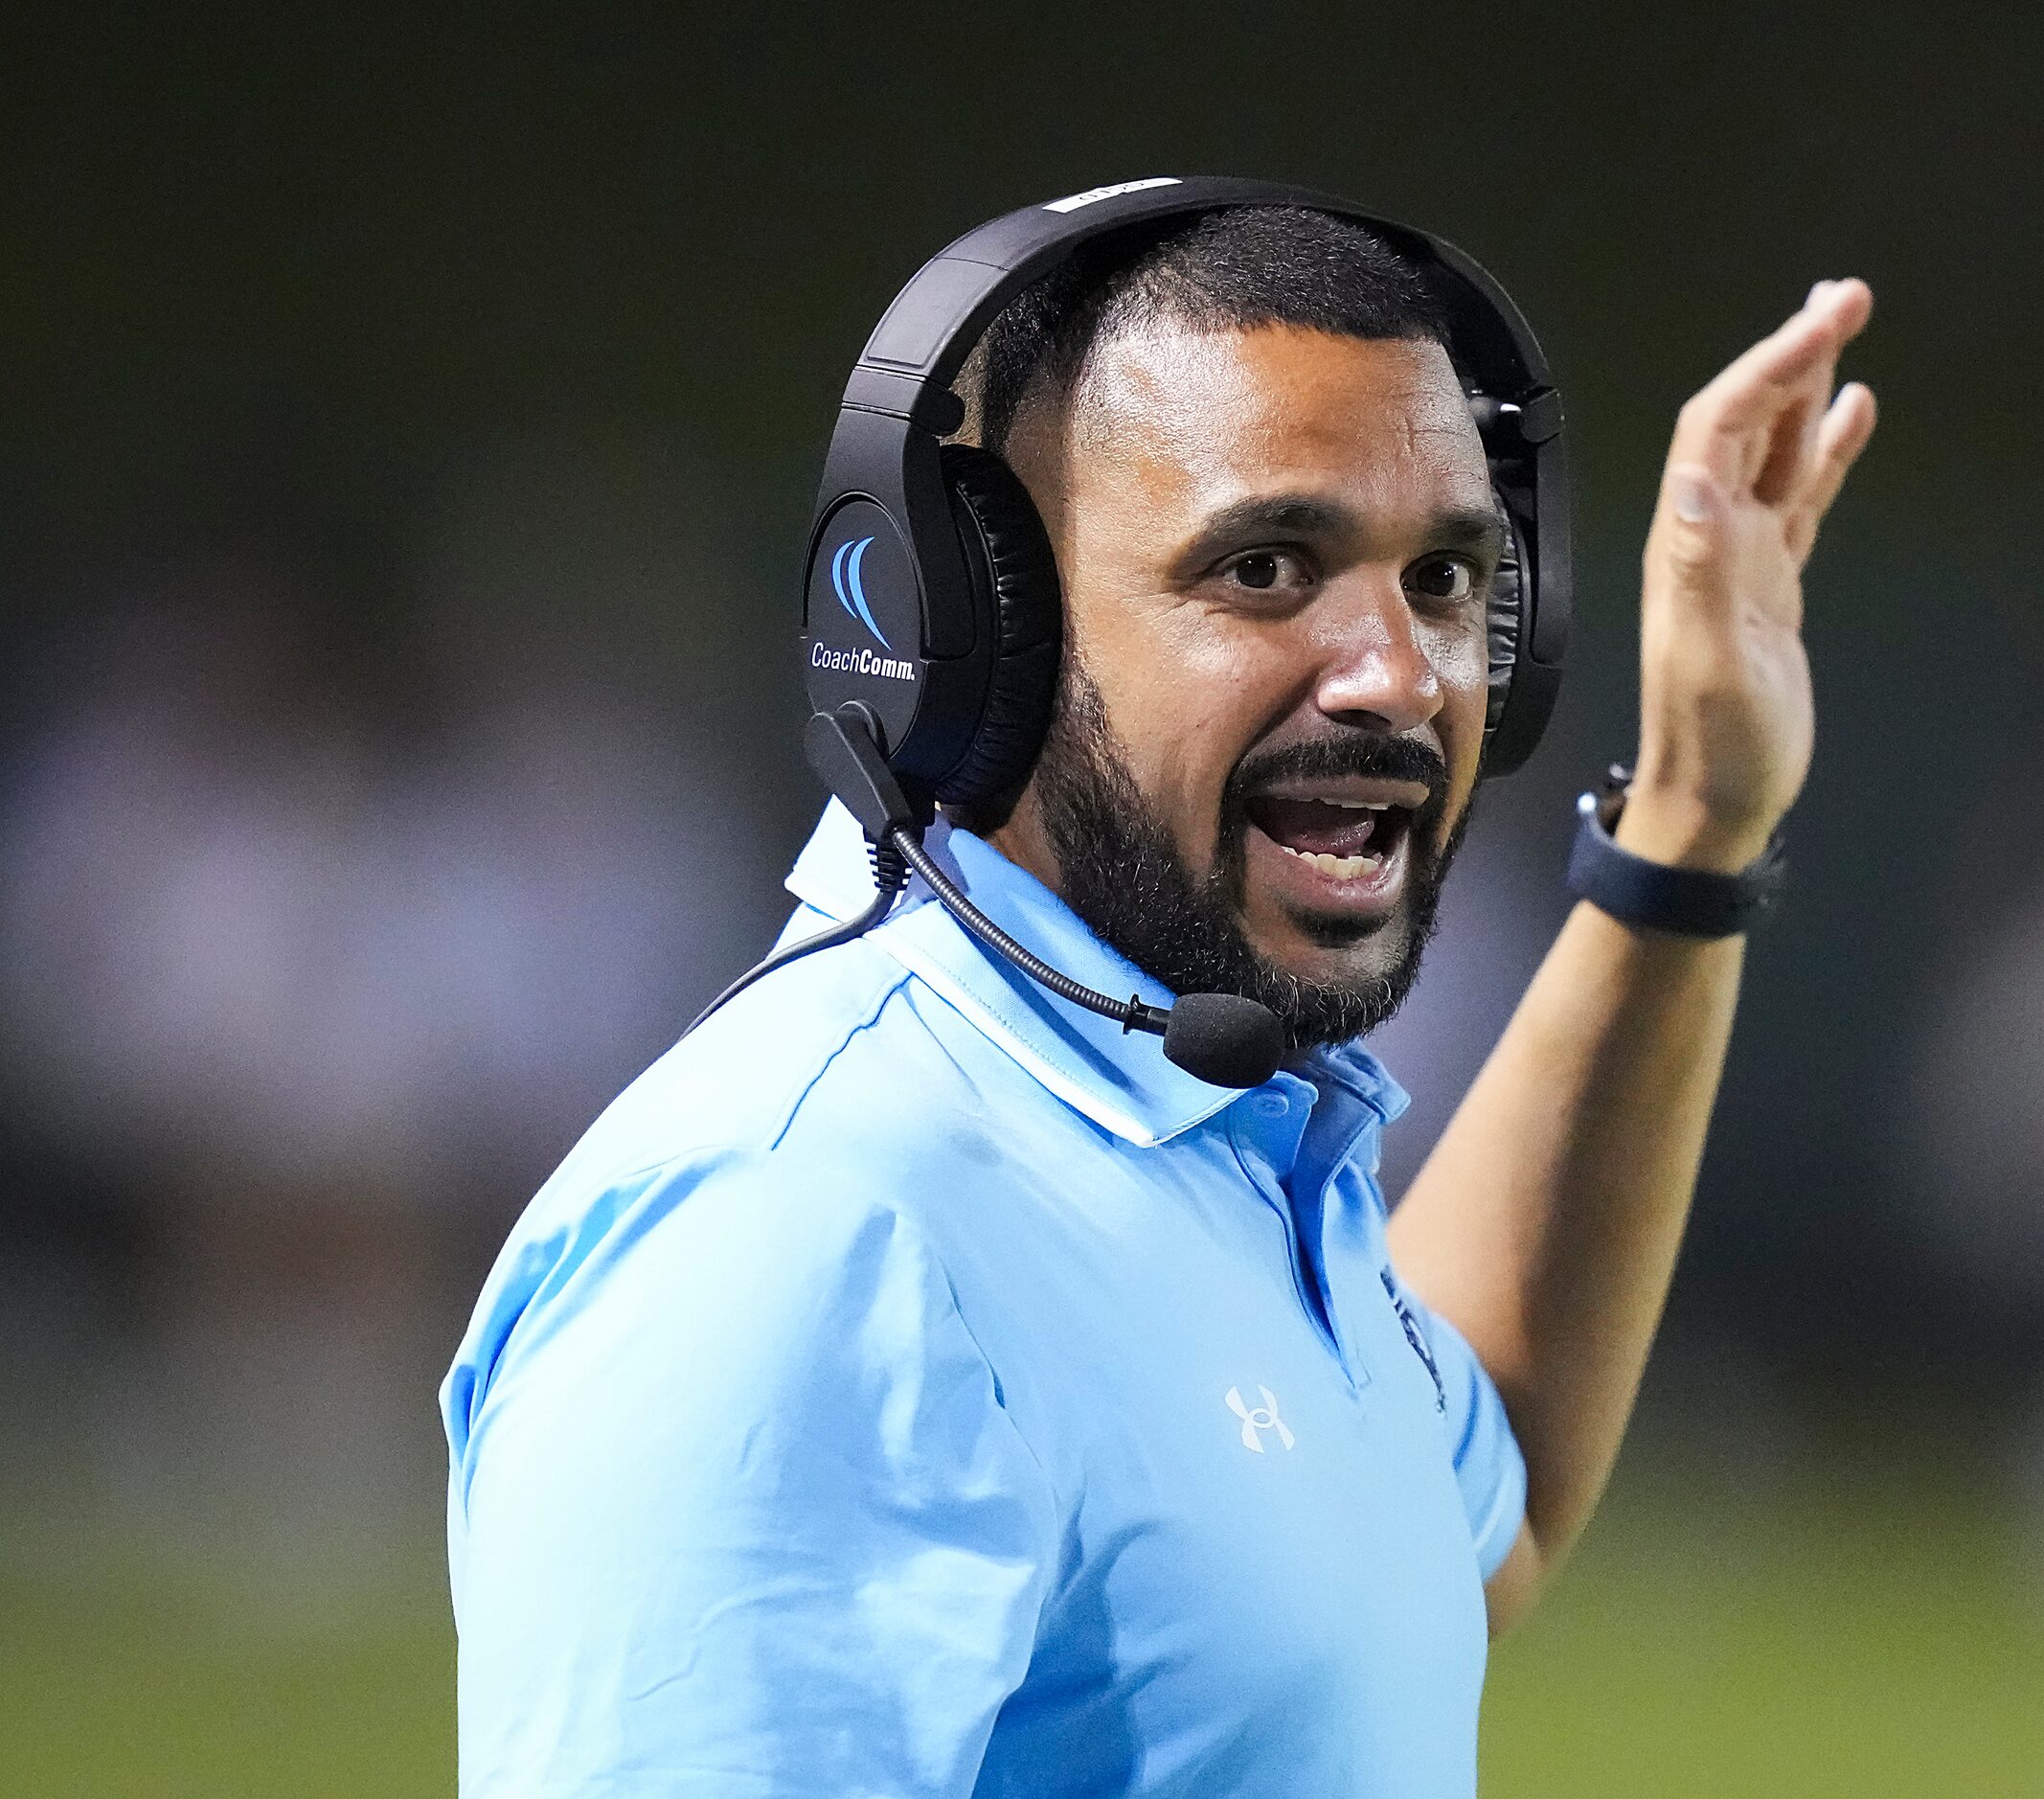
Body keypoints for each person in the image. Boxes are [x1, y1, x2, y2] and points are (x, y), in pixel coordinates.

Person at [442, 202, 1874, 1796]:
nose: (1398, 673)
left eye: (1451, 577)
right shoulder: (808, 1231)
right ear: (984, 634)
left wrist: (1690, 823)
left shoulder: (1182, 1120)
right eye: (1267, 567)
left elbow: (1473, 1516)